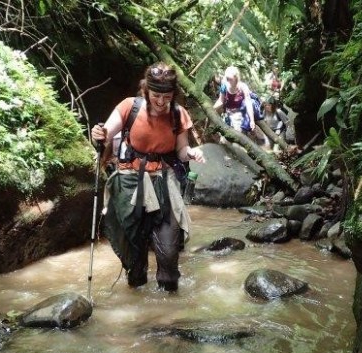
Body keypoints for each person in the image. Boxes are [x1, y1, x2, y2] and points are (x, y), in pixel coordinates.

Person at [91, 62, 205, 292]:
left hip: (164, 183)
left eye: (167, 96)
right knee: (134, 258)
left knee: (169, 254)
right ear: (146, 90)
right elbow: (106, 135)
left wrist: (191, 152)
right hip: (130, 183)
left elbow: (182, 151)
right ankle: (139, 310)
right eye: (156, 96)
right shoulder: (129, 107)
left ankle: (170, 314)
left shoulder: (177, 114)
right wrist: (99, 134)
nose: (162, 102)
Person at [213, 66, 256, 134]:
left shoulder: (243, 87)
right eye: (227, 78)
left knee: (238, 135)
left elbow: (248, 104)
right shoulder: (224, 86)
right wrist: (212, 109)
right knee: (225, 136)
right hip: (228, 114)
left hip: (240, 115)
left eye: (230, 79)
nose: (228, 80)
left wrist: (252, 120)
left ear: (236, 78)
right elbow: (221, 100)